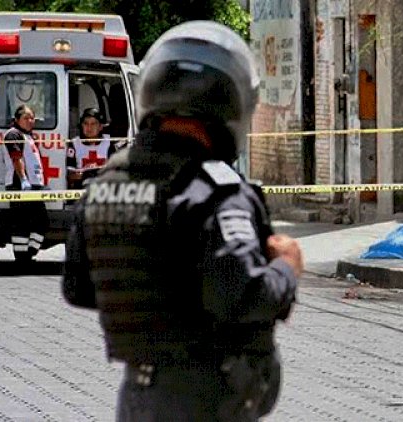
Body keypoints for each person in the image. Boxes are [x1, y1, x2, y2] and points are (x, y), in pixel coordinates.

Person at [62, 21, 302, 421]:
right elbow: (243, 296)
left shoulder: (107, 183)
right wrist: (287, 268)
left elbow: (79, 287)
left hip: (138, 395)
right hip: (204, 397)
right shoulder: (215, 191)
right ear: (231, 104)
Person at [3, 105, 48, 260]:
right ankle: (22, 258)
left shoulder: (28, 136)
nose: (30, 121)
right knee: (21, 223)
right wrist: (23, 179)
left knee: (41, 222)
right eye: (26, 118)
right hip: (19, 184)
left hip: (34, 185)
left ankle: (28, 254)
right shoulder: (13, 134)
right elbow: (17, 158)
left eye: (32, 118)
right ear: (17, 119)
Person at [66, 108, 117, 189]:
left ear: (100, 127)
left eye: (93, 124)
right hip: (82, 188)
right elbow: (70, 175)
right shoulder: (74, 144)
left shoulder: (109, 142)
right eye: (85, 124)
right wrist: (85, 174)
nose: (89, 128)